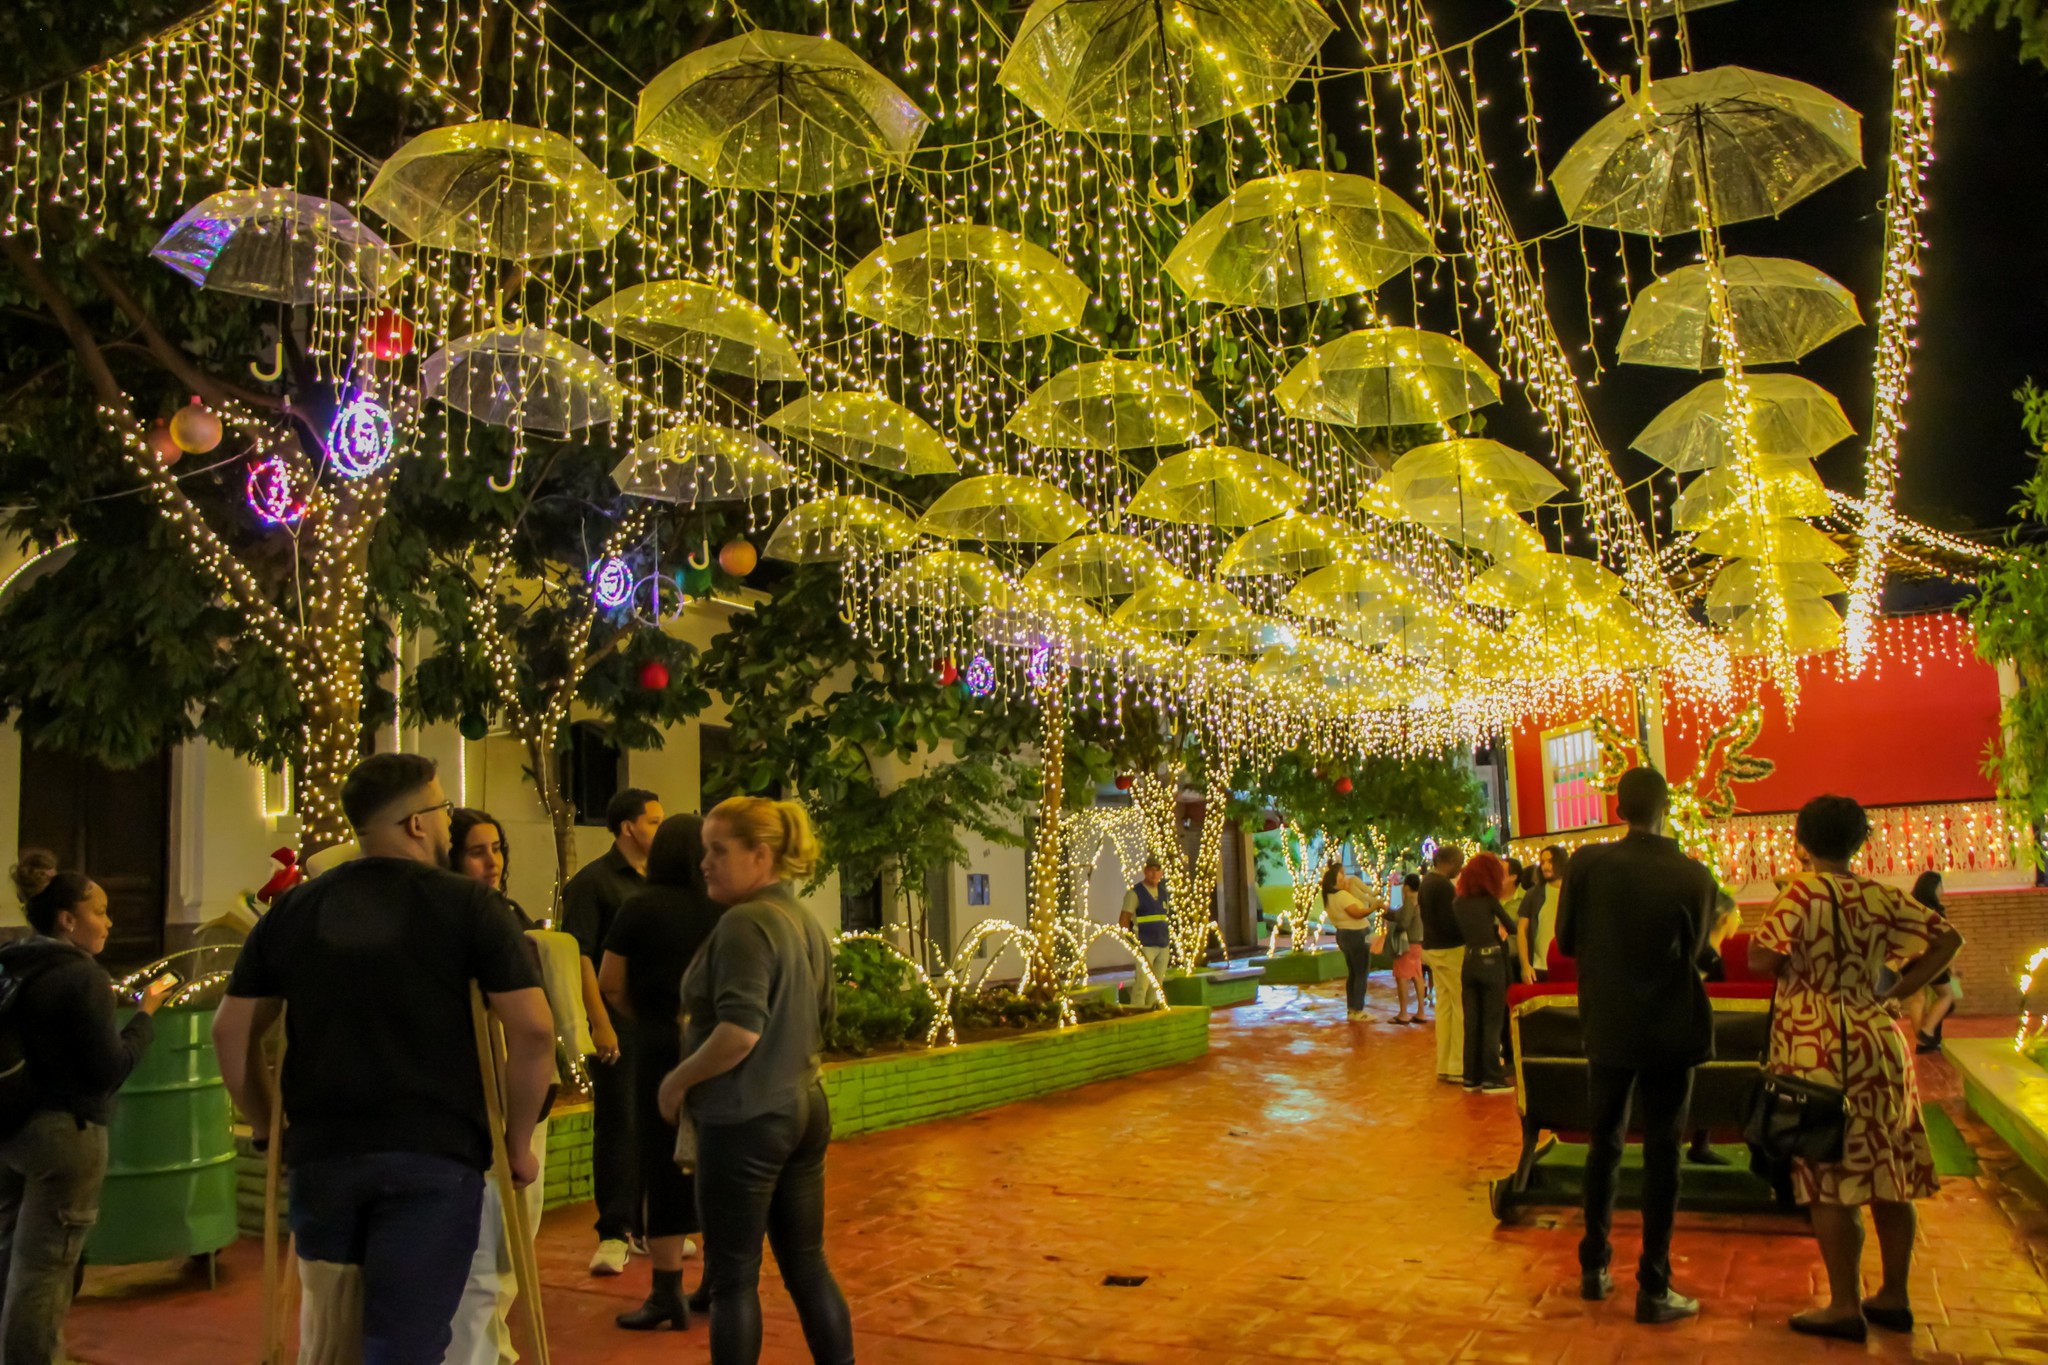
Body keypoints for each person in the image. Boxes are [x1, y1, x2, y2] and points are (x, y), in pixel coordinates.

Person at [213, 754, 555, 1365]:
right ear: (417, 823)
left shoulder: (295, 909)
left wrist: (267, 1128)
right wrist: (517, 1141)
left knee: (331, 1342)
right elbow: (532, 1029)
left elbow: (231, 1033)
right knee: (405, 1346)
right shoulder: (470, 908)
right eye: (443, 809)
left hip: (324, 1159)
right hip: (433, 1157)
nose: (448, 822)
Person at [1749, 795, 1962, 1342]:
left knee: (1828, 1175)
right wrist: (1900, 988)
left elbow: (1761, 959)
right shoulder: (1880, 895)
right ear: (1861, 841)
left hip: (1816, 1043)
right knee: (1888, 1167)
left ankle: (1844, 1304)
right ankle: (1893, 1294)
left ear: (1801, 840)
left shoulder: (1799, 893)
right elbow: (1948, 939)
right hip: (1879, 1039)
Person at [656, 797, 853, 1365]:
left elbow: (740, 1031)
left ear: (760, 855)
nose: (705, 863)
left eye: (719, 851)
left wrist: (677, 1081)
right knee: (807, 1263)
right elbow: (825, 1016)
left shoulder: (745, 923)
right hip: (802, 1104)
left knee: (733, 1279)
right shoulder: (802, 920)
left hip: (745, 1116)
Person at [1554, 767, 1717, 1325]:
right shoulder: (1694, 875)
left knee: (1604, 1144)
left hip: (1608, 1023)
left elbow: (1567, 942)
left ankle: (1594, 1268)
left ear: (1619, 809)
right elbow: (1697, 953)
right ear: (1665, 808)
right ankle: (1654, 1285)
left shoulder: (1587, 864)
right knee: (1664, 1153)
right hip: (1673, 1024)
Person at [0, 859, 174, 1365]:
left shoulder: (12, 962)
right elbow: (108, 1069)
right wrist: (145, 1016)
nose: (109, 922)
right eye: (99, 911)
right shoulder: (82, 977)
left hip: (9, 1128)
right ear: (67, 920)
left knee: (9, 1256)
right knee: (45, 1271)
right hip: (64, 1138)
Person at [442, 809, 573, 1365]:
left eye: (496, 848)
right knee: (482, 1255)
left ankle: (495, 1349)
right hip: (487, 1105)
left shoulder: (505, 913)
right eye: (477, 851)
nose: (491, 861)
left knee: (509, 1253)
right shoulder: (459, 920)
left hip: (523, 1100)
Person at [601, 814, 725, 1331]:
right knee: (718, 1159)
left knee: (662, 1162)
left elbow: (611, 982)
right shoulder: (726, 908)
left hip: (658, 1048)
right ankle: (716, 1281)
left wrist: (647, 1018)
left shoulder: (639, 906)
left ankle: (666, 1290)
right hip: (717, 1047)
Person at [562, 787, 664, 1276]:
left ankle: (648, 1227)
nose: (661, 830)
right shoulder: (592, 883)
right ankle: (613, 1232)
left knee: (655, 1124)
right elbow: (579, 954)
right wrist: (599, 1022)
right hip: (615, 1023)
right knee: (618, 1124)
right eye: (654, 822)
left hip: (656, 1022)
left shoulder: (658, 881)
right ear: (628, 827)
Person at [1684, 891, 1745, 1168]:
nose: (1738, 921)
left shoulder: (1707, 952)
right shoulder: (1705, 956)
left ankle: (1701, 1142)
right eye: (1736, 915)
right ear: (1722, 919)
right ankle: (1699, 1143)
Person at [1451, 852, 1516, 1094]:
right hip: (1491, 962)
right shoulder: (1489, 901)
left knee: (1472, 1022)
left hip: (1469, 961)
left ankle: (1471, 1077)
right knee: (1492, 1021)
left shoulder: (1458, 902)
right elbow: (1511, 927)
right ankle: (1492, 1078)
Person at [1417, 844, 1466, 1083]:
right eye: (1460, 863)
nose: (1460, 868)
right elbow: (1451, 922)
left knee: (1444, 1006)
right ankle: (1458, 1065)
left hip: (1432, 948)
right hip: (1450, 949)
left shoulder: (1426, 883)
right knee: (1460, 1006)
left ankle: (1444, 1064)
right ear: (1450, 862)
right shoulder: (1444, 886)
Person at [1908, 871, 1959, 1053]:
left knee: (1917, 999)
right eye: (1940, 886)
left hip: (1911, 958)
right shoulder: (1935, 912)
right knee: (1947, 995)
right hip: (1931, 960)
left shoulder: (1909, 907)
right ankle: (1927, 1032)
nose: (1942, 890)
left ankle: (1921, 1042)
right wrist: (1951, 966)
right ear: (1933, 888)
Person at [1118, 859, 1172, 1008]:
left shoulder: (1163, 892)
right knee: (1142, 984)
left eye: (1157, 870)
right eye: (1151, 870)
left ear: (1161, 873)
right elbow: (1124, 918)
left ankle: (1151, 1010)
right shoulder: (1135, 893)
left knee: (1157, 984)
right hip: (1145, 945)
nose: (1154, 874)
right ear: (1145, 871)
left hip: (1163, 944)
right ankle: (1138, 1011)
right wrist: (1129, 940)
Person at [1516, 845, 1568, 983]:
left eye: (1550, 861)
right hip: (1539, 968)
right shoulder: (1533, 894)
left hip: (1569, 965)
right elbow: (1521, 930)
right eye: (1542, 862)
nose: (1545, 866)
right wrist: (1525, 965)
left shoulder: (1573, 892)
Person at [1388, 875, 1425, 1024]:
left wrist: (1394, 927)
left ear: (1407, 886)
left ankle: (1403, 1013)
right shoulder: (1421, 899)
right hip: (1418, 942)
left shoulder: (1409, 900)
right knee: (1417, 976)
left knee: (1401, 976)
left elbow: (1404, 922)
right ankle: (1421, 1012)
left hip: (1406, 943)